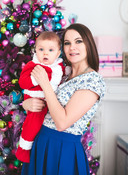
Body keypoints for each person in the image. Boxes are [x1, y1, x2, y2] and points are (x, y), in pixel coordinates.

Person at [21, 23, 106, 175]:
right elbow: (44, 102)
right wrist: (26, 104)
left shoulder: (93, 80)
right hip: (41, 142)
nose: (72, 47)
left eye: (78, 41)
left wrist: (45, 83)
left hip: (62, 149)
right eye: (67, 43)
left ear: (88, 44)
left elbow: (62, 122)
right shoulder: (63, 75)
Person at [16, 31, 65, 163]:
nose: (45, 53)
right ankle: (24, 149)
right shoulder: (33, 65)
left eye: (50, 50)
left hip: (51, 103)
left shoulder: (59, 67)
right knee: (32, 124)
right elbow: (22, 82)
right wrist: (36, 79)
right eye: (41, 49)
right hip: (36, 99)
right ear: (35, 50)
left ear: (58, 53)